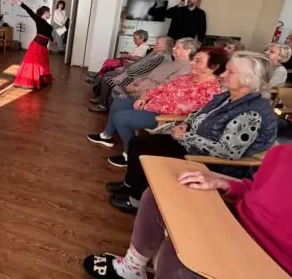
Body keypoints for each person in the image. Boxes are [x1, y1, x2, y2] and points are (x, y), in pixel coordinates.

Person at [82, 145, 292, 278]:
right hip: (235, 221)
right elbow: (254, 187)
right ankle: (132, 268)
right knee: (157, 196)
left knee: (180, 251)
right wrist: (224, 183)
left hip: (269, 260)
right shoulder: (282, 152)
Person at [107, 51, 277, 214]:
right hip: (192, 144)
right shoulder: (228, 96)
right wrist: (186, 123)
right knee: (138, 143)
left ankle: (135, 201)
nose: (223, 75)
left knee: (147, 151)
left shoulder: (252, 112)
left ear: (248, 79)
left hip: (211, 161)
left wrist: (186, 136)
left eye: (230, 72)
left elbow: (228, 152)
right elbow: (199, 113)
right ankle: (129, 186)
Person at [88, 48, 227, 168]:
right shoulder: (187, 77)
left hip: (164, 117)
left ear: (214, 66)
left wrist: (150, 106)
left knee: (121, 118)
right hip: (150, 105)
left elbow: (187, 112)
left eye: (198, 61)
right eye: (193, 59)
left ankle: (130, 155)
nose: (191, 63)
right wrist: (144, 97)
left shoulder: (211, 90)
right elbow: (161, 88)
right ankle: (106, 136)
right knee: (119, 102)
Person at [89, 37, 173, 113]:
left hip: (137, 78)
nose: (155, 44)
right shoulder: (155, 54)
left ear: (164, 47)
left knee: (108, 80)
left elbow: (143, 69)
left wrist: (124, 74)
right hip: (133, 74)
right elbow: (138, 63)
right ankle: (102, 99)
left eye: (157, 43)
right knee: (108, 74)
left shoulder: (161, 57)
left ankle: (103, 105)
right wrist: (124, 68)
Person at [111, 37, 198, 101]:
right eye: (174, 46)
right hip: (140, 86)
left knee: (119, 96)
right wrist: (134, 82)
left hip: (146, 95)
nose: (173, 49)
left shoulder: (185, 69)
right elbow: (149, 75)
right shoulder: (171, 62)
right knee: (116, 90)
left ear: (187, 51)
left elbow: (164, 87)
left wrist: (136, 89)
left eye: (177, 47)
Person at [1, 0, 53, 90]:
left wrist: (52, 40)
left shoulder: (47, 23)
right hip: (37, 45)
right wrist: (18, 2)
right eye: (49, 12)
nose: (50, 14)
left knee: (42, 64)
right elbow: (28, 10)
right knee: (34, 64)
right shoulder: (38, 19)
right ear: (45, 12)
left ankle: (41, 79)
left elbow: (48, 33)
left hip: (43, 47)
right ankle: (32, 80)